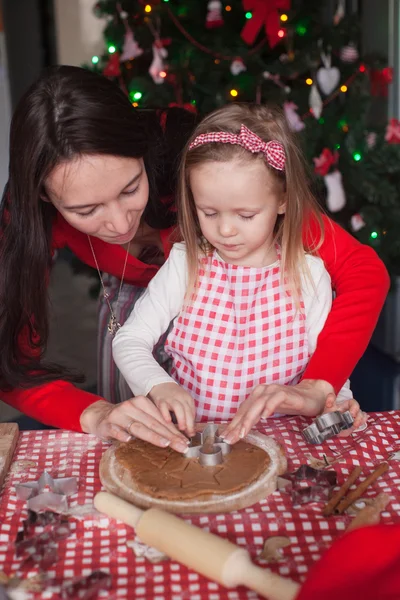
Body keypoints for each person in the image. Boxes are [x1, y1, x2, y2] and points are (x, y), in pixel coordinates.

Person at [0, 66, 389, 448]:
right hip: (143, 305)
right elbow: (9, 361)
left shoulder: (217, 173)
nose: (120, 225)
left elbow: (362, 273)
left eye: (131, 188)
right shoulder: (26, 218)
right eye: (86, 211)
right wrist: (96, 413)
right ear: (46, 198)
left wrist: (319, 386)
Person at [112, 103, 367, 442]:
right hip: (198, 445)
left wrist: (341, 405)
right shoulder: (184, 264)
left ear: (283, 201)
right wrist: (160, 385)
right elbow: (129, 341)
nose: (225, 230)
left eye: (245, 215)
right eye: (209, 212)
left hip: (282, 446)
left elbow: (330, 366)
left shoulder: (308, 273)